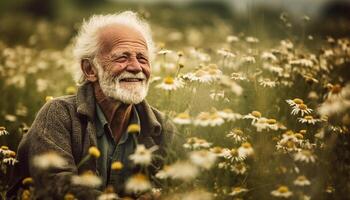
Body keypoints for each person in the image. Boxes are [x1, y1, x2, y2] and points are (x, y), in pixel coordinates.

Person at [7, 11, 175, 199]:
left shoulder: (162, 128)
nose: (136, 67)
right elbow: (58, 187)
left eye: (142, 58)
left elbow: (176, 188)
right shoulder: (58, 114)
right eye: (122, 57)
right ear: (89, 69)